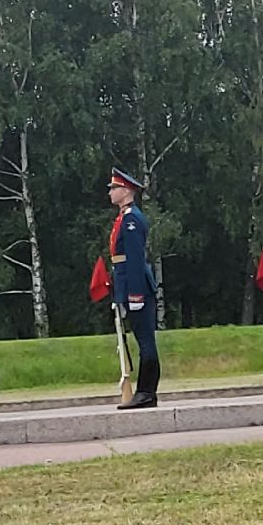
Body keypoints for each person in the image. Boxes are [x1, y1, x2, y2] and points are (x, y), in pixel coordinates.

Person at [107, 167, 160, 409]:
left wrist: (135, 293)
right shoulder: (124, 217)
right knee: (142, 339)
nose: (110, 192)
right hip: (127, 284)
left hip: (136, 287)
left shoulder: (131, 219)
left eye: (114, 188)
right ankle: (145, 391)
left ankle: (147, 391)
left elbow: (135, 260)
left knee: (145, 341)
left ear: (126, 191)